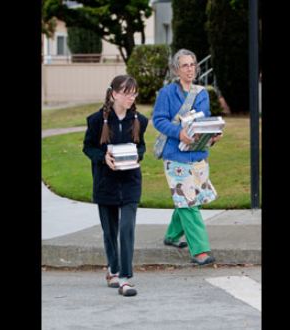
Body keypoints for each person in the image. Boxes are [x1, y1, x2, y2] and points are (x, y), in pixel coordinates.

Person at [152, 49, 222, 265]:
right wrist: (178, 133)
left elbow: (204, 120)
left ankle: (172, 236)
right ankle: (200, 250)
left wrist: (212, 135)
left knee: (192, 199)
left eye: (192, 64)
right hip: (175, 156)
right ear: (176, 69)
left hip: (198, 154)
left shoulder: (202, 93)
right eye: (185, 65)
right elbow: (158, 120)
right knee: (188, 204)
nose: (190, 69)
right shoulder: (166, 93)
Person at [83, 75, 149, 296]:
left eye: (134, 93)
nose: (131, 97)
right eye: (127, 93)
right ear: (114, 94)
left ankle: (125, 278)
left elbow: (142, 147)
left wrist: (136, 155)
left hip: (131, 183)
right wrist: (104, 157)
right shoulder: (95, 121)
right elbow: (88, 148)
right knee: (110, 231)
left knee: (126, 228)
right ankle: (112, 267)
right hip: (105, 183)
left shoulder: (140, 120)